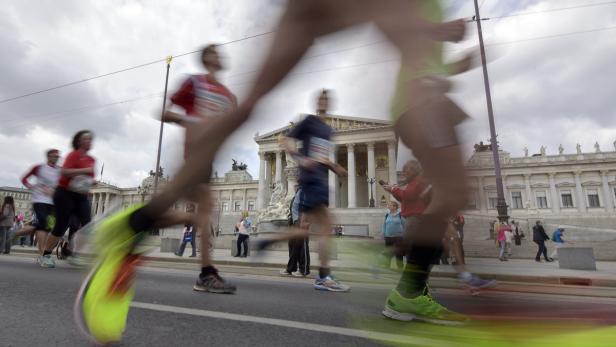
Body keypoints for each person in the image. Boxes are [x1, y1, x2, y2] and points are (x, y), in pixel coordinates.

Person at [75, 1, 469, 342]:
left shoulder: (236, 97)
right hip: (222, 153)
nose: (219, 59)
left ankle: (141, 232)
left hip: (222, 151)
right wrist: (187, 121)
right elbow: (390, 21)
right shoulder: (203, 86)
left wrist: (324, 160)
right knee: (231, 191)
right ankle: (146, 235)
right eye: (213, 54)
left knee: (226, 165)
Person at [161, 44, 237, 294]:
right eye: (214, 52)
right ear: (205, 59)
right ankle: (206, 273)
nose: (219, 56)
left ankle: (206, 273)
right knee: (204, 211)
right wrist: (193, 121)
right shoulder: (195, 83)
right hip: (193, 152)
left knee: (203, 212)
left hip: (209, 157)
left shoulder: (229, 96)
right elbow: (164, 113)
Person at [257, 90, 349, 291]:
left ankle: (268, 241)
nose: (324, 102)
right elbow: (287, 140)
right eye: (321, 99)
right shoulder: (309, 121)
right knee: (326, 227)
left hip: (320, 180)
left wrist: (334, 167)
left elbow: (321, 157)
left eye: (327, 99)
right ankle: (324, 277)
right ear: (317, 102)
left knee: (303, 228)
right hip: (312, 180)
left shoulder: (327, 130)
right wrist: (300, 159)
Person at [39, 131, 96, 268]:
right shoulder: (73, 155)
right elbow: (64, 172)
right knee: (61, 226)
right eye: (85, 139)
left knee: (88, 225)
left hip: (81, 195)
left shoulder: (91, 159)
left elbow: (88, 177)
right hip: (65, 193)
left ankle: (75, 254)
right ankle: (45, 255)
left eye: (90, 139)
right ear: (78, 141)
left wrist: (91, 182)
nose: (89, 141)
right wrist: (84, 171)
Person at [19, 149, 61, 255]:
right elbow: (24, 179)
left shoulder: (60, 170)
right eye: (54, 156)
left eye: (57, 157)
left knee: (48, 226)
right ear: (48, 157)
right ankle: (42, 253)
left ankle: (15, 233)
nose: (56, 158)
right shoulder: (39, 168)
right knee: (42, 224)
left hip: (53, 203)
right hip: (39, 200)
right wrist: (32, 187)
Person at [281, 187, 311, 277]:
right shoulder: (297, 193)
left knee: (302, 247)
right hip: (294, 222)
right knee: (293, 246)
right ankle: (291, 268)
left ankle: (304, 270)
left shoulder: (306, 191)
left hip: (302, 222)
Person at [381, 201, 405, 269]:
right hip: (388, 237)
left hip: (398, 237)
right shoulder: (387, 215)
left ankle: (400, 267)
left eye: (390, 205)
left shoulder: (400, 215)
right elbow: (384, 225)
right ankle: (387, 266)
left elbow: (405, 225)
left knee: (399, 253)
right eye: (388, 205)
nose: (388, 206)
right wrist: (383, 233)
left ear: (395, 207)